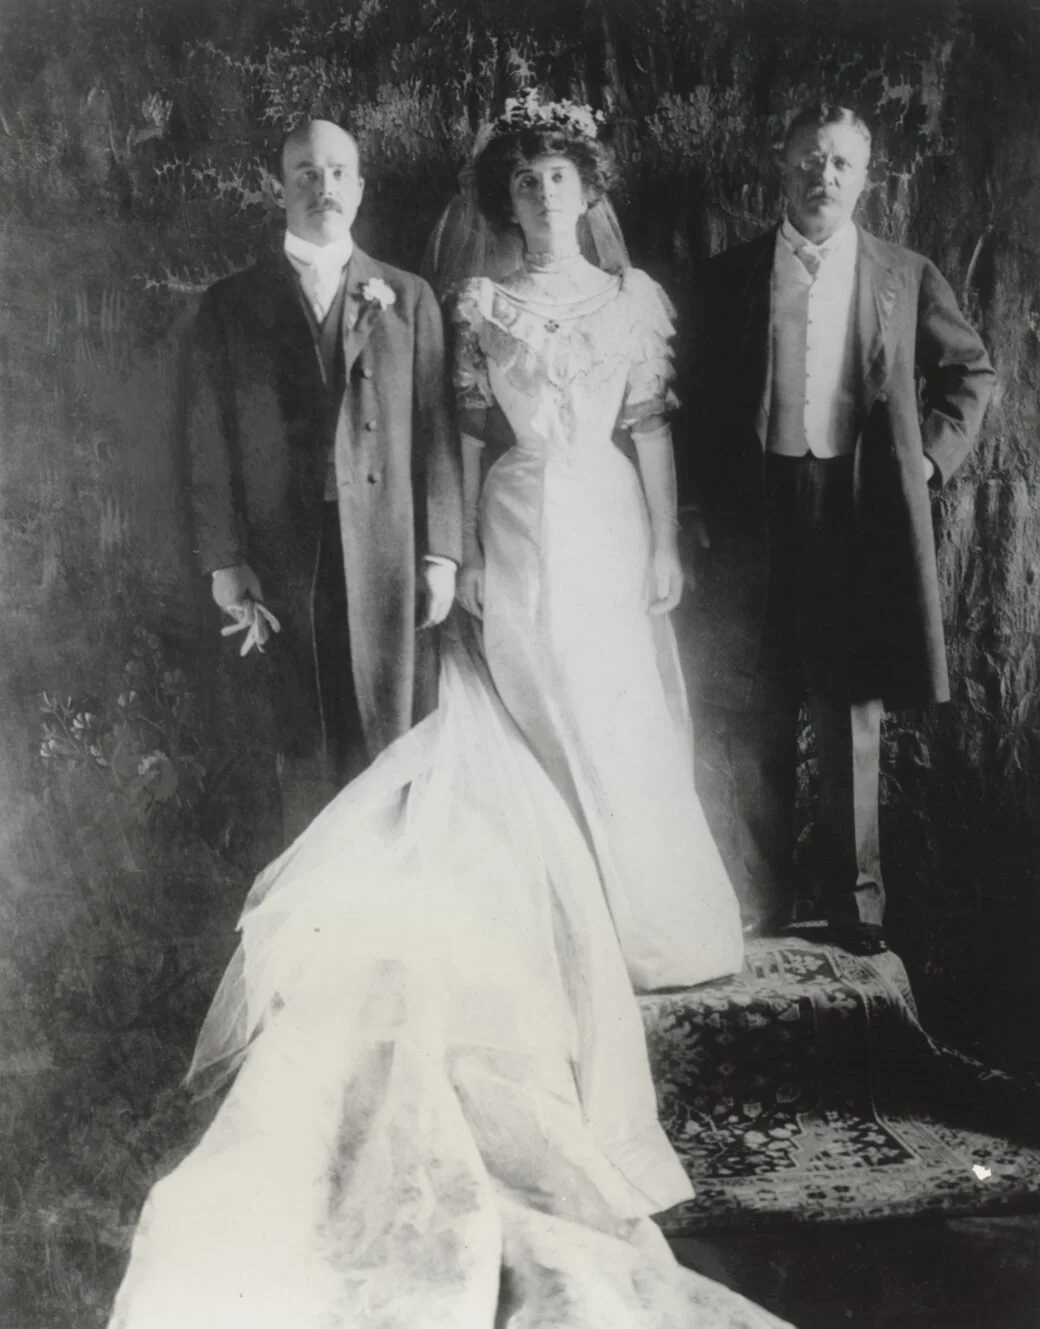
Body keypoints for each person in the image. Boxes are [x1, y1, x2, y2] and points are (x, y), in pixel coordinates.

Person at [105, 98, 776, 1329]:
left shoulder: (515, 298)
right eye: (523, 187)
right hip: (425, 539)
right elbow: (415, 440)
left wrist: (591, 547)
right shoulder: (363, 303)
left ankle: (625, 907)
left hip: (536, 527)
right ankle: (423, 931)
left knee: (601, 704)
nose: (542, 200)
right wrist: (406, 554)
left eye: (558, 182)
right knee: (458, 718)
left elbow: (559, 437)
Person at [684, 103, 995, 953]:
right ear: (779, 167)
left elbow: (970, 372)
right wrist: (697, 505)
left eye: (841, 165)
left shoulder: (904, 273)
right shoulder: (732, 276)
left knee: (849, 706)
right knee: (758, 707)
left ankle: (857, 905)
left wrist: (926, 462)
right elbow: (701, 406)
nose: (823, 177)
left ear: (864, 179)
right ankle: (763, 895)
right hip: (758, 513)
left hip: (857, 520)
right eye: (809, 160)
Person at [186, 119, 461, 840]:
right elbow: (207, 441)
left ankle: (395, 910)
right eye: (306, 173)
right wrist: (224, 558)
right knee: (301, 742)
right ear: (281, 189)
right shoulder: (229, 306)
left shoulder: (410, 298)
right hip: (284, 560)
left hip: (387, 554)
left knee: (389, 727)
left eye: (338, 172)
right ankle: (312, 920)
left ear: (361, 187)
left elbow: (435, 433)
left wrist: (442, 554)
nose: (324, 187)